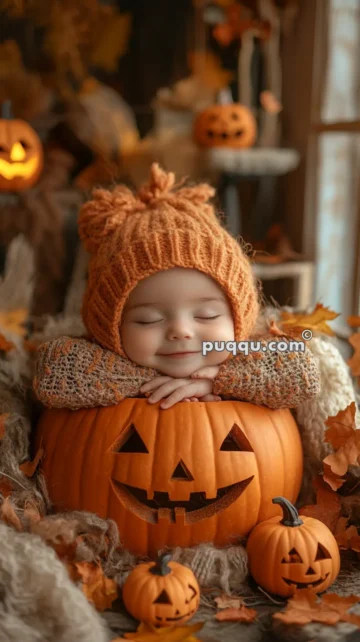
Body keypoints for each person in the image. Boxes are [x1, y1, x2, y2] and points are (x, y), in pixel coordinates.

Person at [33, 163, 320, 410]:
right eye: (148, 319)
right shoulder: (96, 357)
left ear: (239, 318)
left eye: (207, 314)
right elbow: (52, 373)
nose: (181, 331)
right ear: (110, 327)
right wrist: (142, 382)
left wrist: (217, 380)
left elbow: (303, 373)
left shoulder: (251, 351)